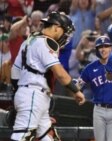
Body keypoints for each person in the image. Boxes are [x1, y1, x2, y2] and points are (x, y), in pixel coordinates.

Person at [10, 11, 85, 141]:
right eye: (65, 31)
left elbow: (14, 73)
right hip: (33, 94)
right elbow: (59, 73)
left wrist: (20, 95)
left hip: (33, 94)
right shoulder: (45, 42)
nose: (66, 37)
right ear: (56, 28)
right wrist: (76, 91)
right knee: (21, 137)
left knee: (48, 136)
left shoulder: (29, 41)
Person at [78, 36, 112, 141]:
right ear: (96, 50)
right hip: (99, 110)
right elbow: (79, 84)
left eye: (106, 46)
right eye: (100, 47)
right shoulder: (90, 68)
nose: (103, 49)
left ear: (111, 48)